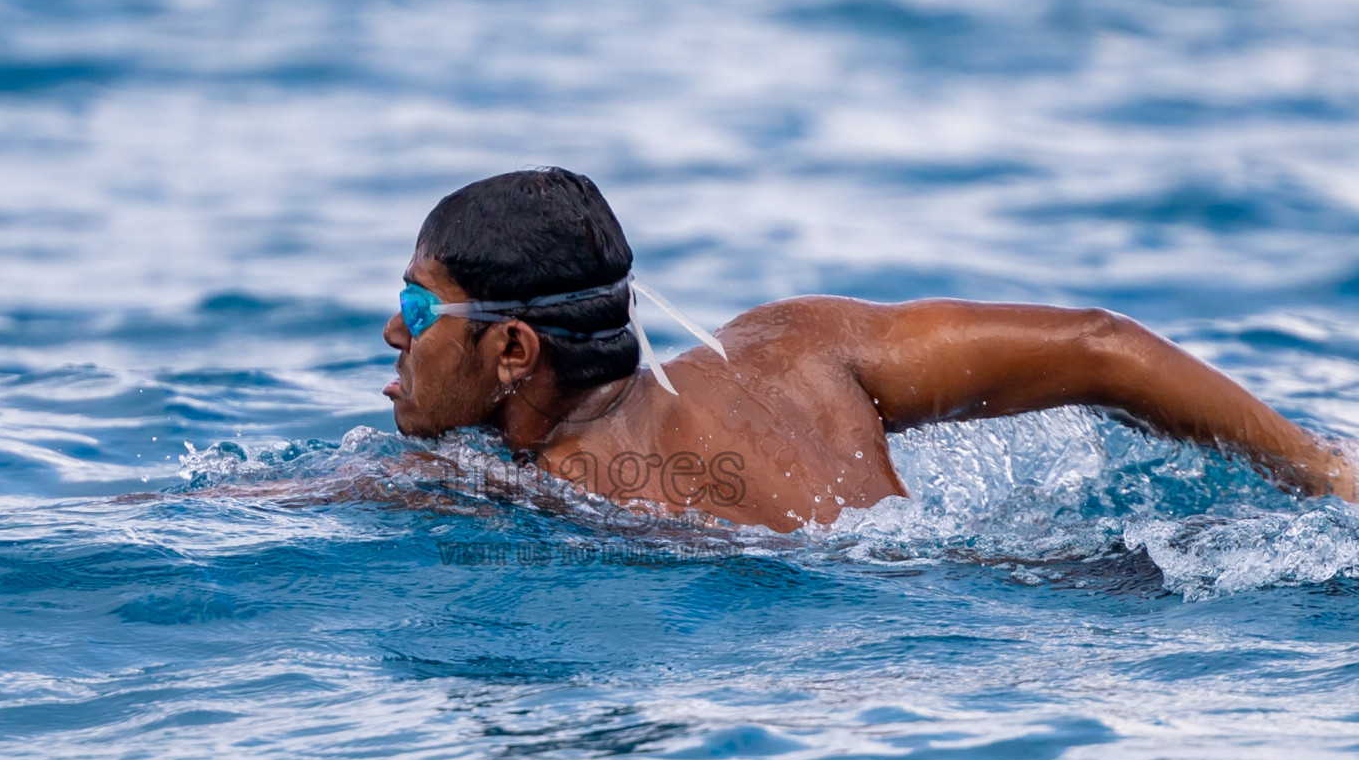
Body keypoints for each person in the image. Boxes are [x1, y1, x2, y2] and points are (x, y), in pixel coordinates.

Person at [382, 167, 1356, 532]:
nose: (393, 332)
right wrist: (1325, 472)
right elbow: (1102, 345)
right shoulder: (792, 345)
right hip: (1075, 575)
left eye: (418, 308)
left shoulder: (522, 492)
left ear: (514, 348)